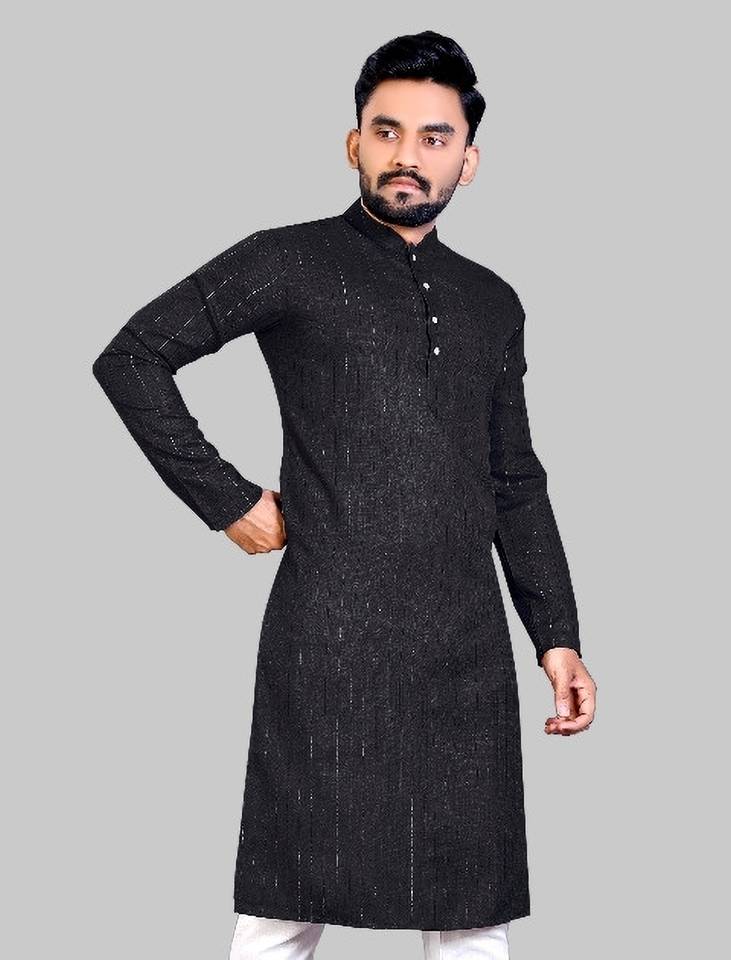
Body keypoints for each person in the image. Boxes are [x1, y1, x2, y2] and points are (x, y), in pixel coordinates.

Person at [92, 29, 597, 959]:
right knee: (283, 910)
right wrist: (225, 500)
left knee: (473, 913)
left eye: (435, 137)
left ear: (468, 160)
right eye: (387, 131)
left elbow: (513, 478)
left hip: (465, 646)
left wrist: (555, 635)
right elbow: (132, 357)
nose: (409, 155)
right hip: (328, 635)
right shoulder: (287, 259)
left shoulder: (491, 300)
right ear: (353, 143)